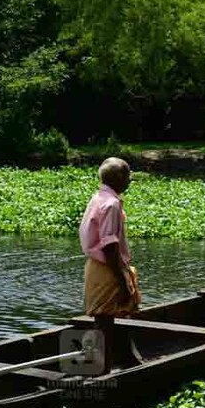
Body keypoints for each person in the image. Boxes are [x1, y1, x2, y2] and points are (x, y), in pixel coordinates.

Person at [79, 157, 141, 369]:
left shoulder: (98, 197)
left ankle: (119, 360)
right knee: (105, 319)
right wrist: (122, 281)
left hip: (95, 266)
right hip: (107, 267)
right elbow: (109, 245)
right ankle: (103, 369)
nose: (130, 180)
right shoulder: (112, 204)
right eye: (128, 175)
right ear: (120, 178)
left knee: (102, 318)